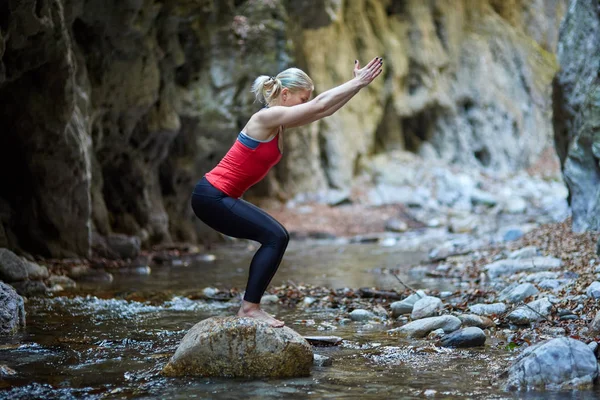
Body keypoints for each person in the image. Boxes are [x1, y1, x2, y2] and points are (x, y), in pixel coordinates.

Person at [191, 57, 384, 327]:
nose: (306, 104)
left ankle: (250, 307)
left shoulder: (278, 123)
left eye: (307, 99)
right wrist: (357, 81)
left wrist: (358, 86)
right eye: (302, 98)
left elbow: (323, 110)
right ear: (285, 94)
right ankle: (249, 309)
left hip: (220, 197)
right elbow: (319, 105)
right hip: (212, 196)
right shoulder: (267, 117)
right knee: (275, 236)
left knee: (275, 236)